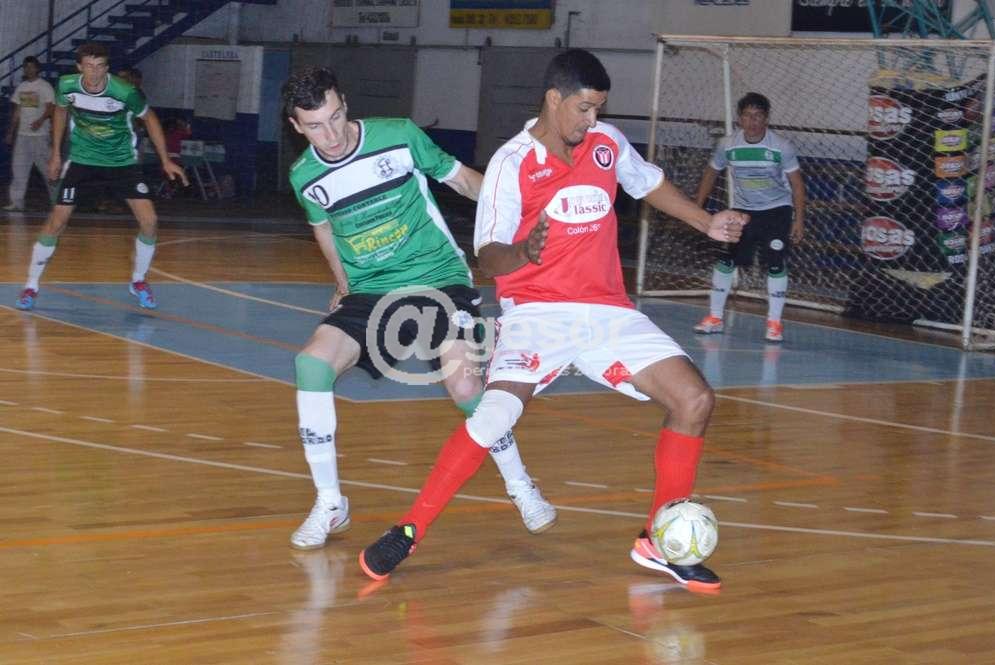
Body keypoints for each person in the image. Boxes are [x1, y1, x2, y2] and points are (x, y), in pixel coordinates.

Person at [359, 49, 747, 591]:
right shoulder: (511, 163)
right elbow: (488, 256)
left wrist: (707, 223)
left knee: (695, 399)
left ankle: (659, 543)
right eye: (584, 109)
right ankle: (410, 529)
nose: (592, 120)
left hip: (608, 310)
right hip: (537, 311)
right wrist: (524, 253)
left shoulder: (606, 143)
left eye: (598, 109)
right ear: (553, 99)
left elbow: (647, 183)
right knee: (494, 416)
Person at [281, 66, 556, 550]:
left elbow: (463, 181)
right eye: (316, 126)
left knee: (465, 385)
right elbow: (323, 228)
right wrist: (343, 283)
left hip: (438, 279)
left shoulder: (398, 136)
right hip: (370, 290)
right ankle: (330, 503)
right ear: (296, 126)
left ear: (344, 102)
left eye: (336, 116)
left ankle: (520, 484)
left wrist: (524, 216)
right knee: (311, 364)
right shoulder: (304, 175)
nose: (332, 134)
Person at [13, 43, 187, 311]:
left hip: (122, 162)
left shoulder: (125, 91)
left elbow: (150, 119)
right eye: (89, 66)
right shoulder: (67, 85)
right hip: (82, 161)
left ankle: (138, 281)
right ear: (79, 67)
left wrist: (165, 160)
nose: (94, 72)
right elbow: (60, 110)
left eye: (100, 66)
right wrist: (56, 154)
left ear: (107, 68)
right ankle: (31, 286)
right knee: (57, 221)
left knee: (150, 221)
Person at [692, 92, 806, 343]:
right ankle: (715, 317)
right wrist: (697, 209)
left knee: (775, 261)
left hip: (777, 211)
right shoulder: (728, 145)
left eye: (758, 116)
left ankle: (774, 323)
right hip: (743, 212)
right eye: (747, 116)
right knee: (726, 260)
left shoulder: (781, 147)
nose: (753, 121)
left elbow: (797, 184)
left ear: (766, 118)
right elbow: (711, 173)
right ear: (739, 119)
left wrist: (799, 220)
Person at [4, 56, 56, 212]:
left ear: (37, 69)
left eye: (32, 67)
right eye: (26, 67)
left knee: (48, 170)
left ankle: (57, 201)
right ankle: (17, 202)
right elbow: (17, 111)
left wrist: (41, 120)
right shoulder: (22, 87)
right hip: (23, 136)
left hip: (40, 136)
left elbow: (51, 107)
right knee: (19, 169)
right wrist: (11, 131)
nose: (29, 70)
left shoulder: (44, 86)